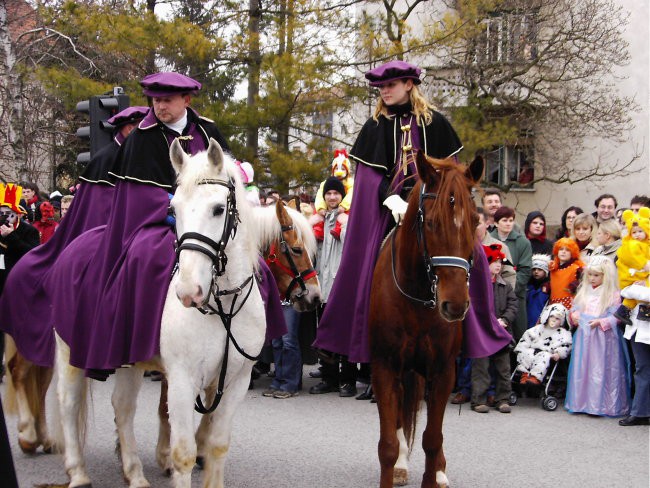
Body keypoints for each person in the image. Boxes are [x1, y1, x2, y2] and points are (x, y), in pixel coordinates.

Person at [49, 72, 285, 379]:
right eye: (156, 100)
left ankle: (254, 334)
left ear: (186, 100)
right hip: (158, 222)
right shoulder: (142, 137)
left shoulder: (207, 130)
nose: (160, 107)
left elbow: (228, 178)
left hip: (207, 221)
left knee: (253, 266)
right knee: (146, 258)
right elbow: (137, 195)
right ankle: (146, 341)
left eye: (167, 100)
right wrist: (175, 208)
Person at [314, 60, 512, 397]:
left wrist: (433, 205)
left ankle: (478, 328)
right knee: (364, 265)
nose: (385, 91)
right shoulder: (374, 126)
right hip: (388, 210)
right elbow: (369, 179)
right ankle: (359, 344)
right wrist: (391, 201)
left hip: (432, 208)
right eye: (381, 87)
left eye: (391, 85)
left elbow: (452, 175)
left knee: (472, 256)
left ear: (409, 84)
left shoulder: (435, 123)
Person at [0, 107, 149, 370]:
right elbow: (101, 208)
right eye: (137, 127)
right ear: (125, 128)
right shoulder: (107, 159)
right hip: (105, 229)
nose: (141, 132)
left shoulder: (138, 155)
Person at [308, 178, 358, 397]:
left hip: (341, 288)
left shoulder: (349, 219)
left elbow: (354, 245)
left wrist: (345, 223)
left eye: (336, 193)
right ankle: (329, 377)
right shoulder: (319, 220)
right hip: (322, 287)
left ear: (342, 196)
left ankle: (348, 380)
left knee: (344, 334)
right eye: (328, 193)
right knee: (325, 333)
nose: (332, 197)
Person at [566, 256, 631, 417]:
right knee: (584, 367)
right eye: (590, 275)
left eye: (596, 275)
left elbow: (616, 316)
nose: (592, 279)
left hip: (604, 338)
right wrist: (574, 315)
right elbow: (576, 308)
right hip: (584, 336)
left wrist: (602, 322)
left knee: (601, 368)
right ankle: (581, 402)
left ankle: (600, 404)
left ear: (605, 276)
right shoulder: (584, 291)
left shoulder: (613, 294)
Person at [471, 243, 517, 414]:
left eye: (500, 262)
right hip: (482, 333)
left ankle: (503, 399)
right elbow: (474, 308)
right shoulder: (477, 286)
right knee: (481, 368)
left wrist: (505, 319)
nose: (498, 265)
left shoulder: (505, 285)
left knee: (503, 368)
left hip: (501, 332)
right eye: (494, 261)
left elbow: (513, 304)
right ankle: (479, 400)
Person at [0, 183, 40, 371]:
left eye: (9, 213)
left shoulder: (28, 231)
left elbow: (32, 255)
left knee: (17, 329)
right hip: (1, 286)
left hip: (19, 288)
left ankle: (20, 363)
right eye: (2, 212)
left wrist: (11, 237)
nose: (5, 217)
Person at [489, 206, 533, 341]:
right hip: (492, 292)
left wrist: (509, 291)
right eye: (504, 220)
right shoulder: (488, 240)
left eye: (511, 220)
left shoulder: (522, 242)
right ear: (496, 223)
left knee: (517, 333)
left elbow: (525, 270)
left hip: (515, 294)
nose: (508, 223)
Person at [514, 303, 572, 386]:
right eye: (552, 317)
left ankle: (535, 377)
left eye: (557, 318)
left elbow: (566, 345)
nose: (554, 320)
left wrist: (559, 354)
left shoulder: (563, 333)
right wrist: (522, 348)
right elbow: (527, 337)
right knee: (526, 353)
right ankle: (525, 374)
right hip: (533, 350)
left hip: (548, 354)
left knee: (544, 356)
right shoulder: (538, 328)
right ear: (547, 316)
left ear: (562, 321)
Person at [618, 282, 650, 425]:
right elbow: (624, 290)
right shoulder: (639, 266)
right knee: (642, 369)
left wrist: (636, 290)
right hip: (639, 328)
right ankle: (640, 412)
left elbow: (634, 292)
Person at [613, 208, 650, 326]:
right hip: (633, 276)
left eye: (640, 231)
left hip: (636, 277)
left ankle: (623, 310)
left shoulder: (644, 245)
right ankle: (644, 312)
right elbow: (636, 259)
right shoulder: (632, 244)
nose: (637, 235)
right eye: (634, 232)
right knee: (641, 294)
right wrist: (646, 265)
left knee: (635, 297)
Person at [311, 149, 354, 241]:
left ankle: (339, 230)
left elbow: (351, 195)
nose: (332, 197)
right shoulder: (325, 183)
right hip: (325, 212)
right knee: (317, 216)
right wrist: (321, 208)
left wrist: (344, 206)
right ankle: (318, 231)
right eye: (337, 169)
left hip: (345, 209)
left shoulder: (351, 182)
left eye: (343, 169)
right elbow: (319, 197)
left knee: (343, 216)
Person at [549, 237, 584, 311]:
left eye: (567, 250)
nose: (563, 252)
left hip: (571, 306)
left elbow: (584, 283)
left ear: (572, 253)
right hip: (554, 305)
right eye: (561, 249)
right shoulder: (553, 268)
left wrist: (576, 284)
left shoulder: (576, 269)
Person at [527, 253, 551, 328]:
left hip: (540, 322)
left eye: (540, 269)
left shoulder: (549, 287)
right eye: (534, 269)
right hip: (526, 320)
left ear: (546, 272)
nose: (536, 272)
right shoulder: (527, 286)